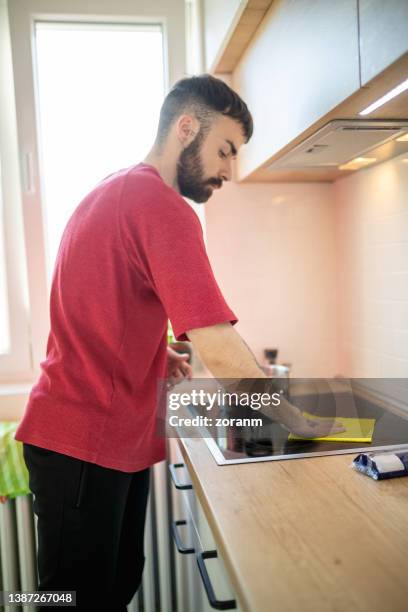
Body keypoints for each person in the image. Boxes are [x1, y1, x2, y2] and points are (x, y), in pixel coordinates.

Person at [15, 74, 343, 610]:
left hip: (84, 440)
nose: (229, 171)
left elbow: (90, 308)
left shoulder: (116, 189)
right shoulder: (162, 206)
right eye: (225, 150)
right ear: (186, 128)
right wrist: (292, 417)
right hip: (84, 442)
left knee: (107, 591)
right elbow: (215, 342)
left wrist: (154, 352)